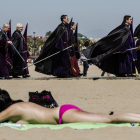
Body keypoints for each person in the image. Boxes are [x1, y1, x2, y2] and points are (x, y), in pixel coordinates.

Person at [1, 99, 140, 124]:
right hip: (63, 110)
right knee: (108, 117)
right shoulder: (21, 104)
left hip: (62, 115)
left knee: (110, 120)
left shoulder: (12, 110)